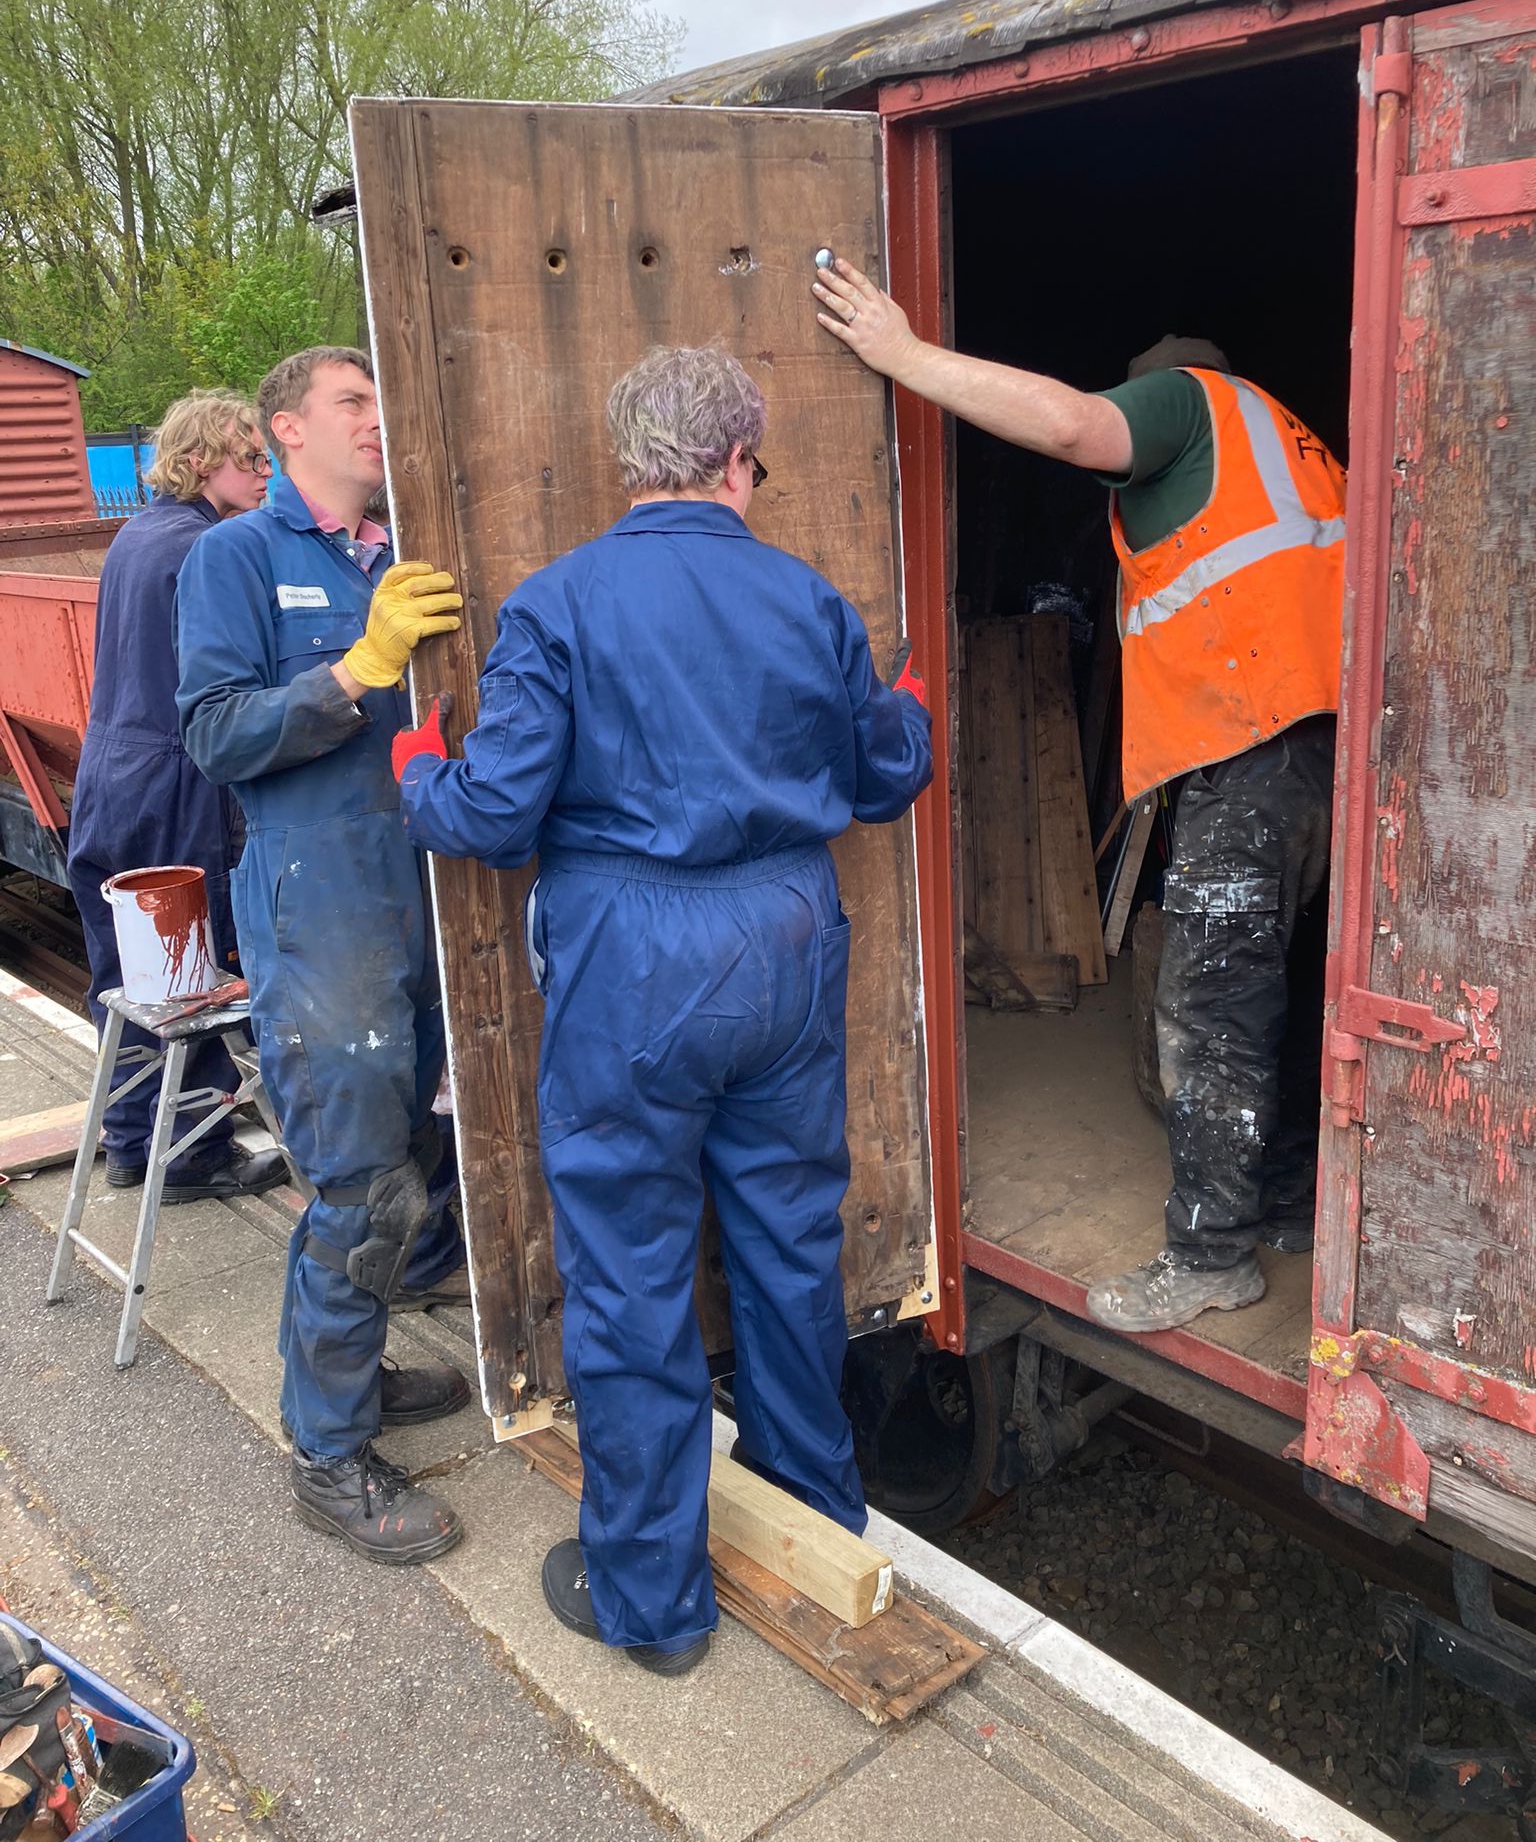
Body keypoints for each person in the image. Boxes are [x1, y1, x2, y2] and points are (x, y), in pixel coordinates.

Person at [392, 344, 933, 1674]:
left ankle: (653, 1603)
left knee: (631, 1274)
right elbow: (884, 779)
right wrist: (908, 707)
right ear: (739, 458)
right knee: (790, 1242)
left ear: (629, 460)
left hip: (631, 960)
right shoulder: (808, 598)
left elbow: (494, 815)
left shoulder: (556, 603)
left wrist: (415, 765)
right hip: (788, 940)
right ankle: (815, 1522)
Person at [811, 261, 1344, 1334]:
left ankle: (1211, 1254)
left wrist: (902, 353)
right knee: (1284, 982)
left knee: (1211, 1006)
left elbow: (1067, 424)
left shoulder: (1185, 402)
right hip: (1328, 744)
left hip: (1253, 738)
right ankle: (1288, 1198)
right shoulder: (1290, 442)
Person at [175, 346, 473, 1564]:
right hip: (322, 904)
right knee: (361, 1185)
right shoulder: (236, 556)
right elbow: (213, 733)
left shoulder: (398, 552)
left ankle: (349, 1368)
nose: (378, 419)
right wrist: (357, 670)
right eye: (355, 401)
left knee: (412, 1154)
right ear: (286, 427)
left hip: (423, 890)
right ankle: (329, 1455)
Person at [67, 391, 288, 1203]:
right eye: (250, 458)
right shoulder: (206, 545)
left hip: (113, 772)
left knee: (129, 973)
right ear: (200, 461)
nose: (264, 474)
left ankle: (132, 1143)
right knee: (193, 976)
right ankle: (192, 1159)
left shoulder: (138, 533)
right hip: (174, 781)